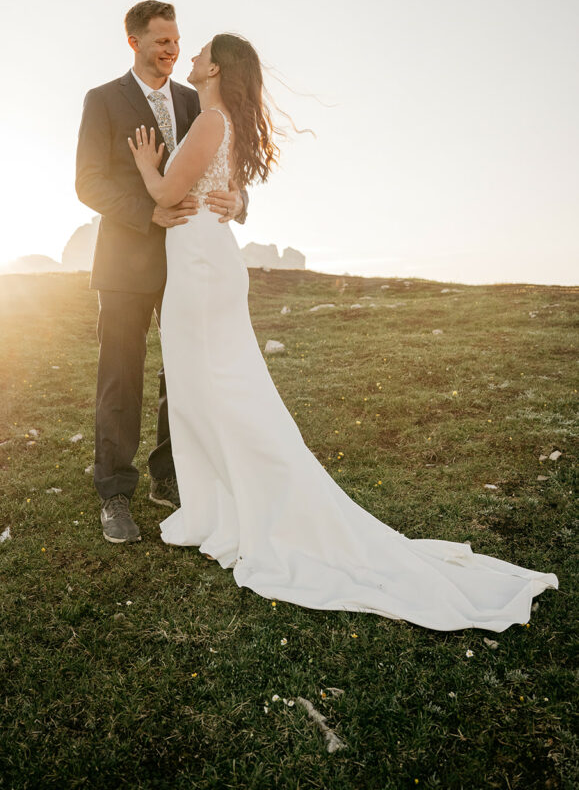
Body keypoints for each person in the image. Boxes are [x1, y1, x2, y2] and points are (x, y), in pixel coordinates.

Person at [127, 31, 559, 632]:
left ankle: (249, 509)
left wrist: (149, 168)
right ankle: (218, 508)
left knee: (215, 395)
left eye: (201, 53)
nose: (193, 56)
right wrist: (230, 195)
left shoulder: (208, 122)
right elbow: (216, 187)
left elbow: (171, 193)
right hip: (206, 264)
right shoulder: (222, 122)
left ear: (218, 68)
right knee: (211, 394)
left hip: (199, 271)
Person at [75, 1, 247, 545]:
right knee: (120, 377)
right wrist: (148, 211)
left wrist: (239, 199)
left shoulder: (198, 101)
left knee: (184, 375)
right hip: (126, 263)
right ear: (135, 43)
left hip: (188, 265)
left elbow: (223, 166)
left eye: (176, 41)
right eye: (161, 42)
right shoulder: (102, 100)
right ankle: (115, 494)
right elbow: (88, 183)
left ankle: (169, 475)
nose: (172, 50)